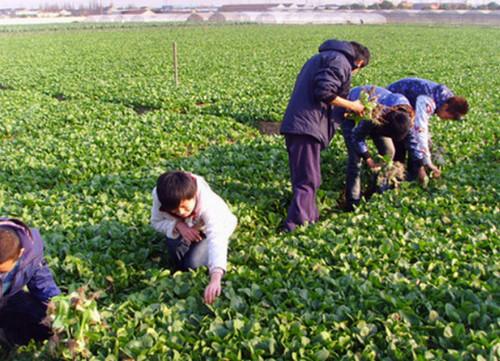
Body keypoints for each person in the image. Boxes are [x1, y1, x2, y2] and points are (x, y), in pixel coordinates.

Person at [280, 39, 370, 231]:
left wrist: (343, 111)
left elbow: (323, 96)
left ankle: (310, 219)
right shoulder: (340, 61)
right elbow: (324, 92)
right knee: (307, 179)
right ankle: (295, 225)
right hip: (306, 126)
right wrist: (353, 105)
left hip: (303, 124)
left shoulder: (325, 57)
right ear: (359, 63)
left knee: (310, 178)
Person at [151, 171, 237, 304]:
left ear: (194, 196)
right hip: (183, 229)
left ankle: (212, 253)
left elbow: (217, 238)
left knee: (192, 264)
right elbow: (156, 222)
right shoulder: (161, 196)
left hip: (212, 229)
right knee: (176, 255)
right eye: (174, 210)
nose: (180, 212)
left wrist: (215, 279)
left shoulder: (210, 206)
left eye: (184, 207)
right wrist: (178, 225)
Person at [333, 85, 414, 210]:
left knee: (389, 151)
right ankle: (352, 203)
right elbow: (357, 137)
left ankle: (380, 192)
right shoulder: (374, 114)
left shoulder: (406, 113)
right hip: (352, 110)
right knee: (356, 161)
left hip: (383, 118)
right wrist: (369, 159)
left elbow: (414, 138)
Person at [387, 77, 469, 183]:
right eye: (449, 116)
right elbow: (420, 129)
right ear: (445, 107)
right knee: (402, 140)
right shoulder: (427, 101)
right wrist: (426, 161)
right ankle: (398, 176)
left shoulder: (446, 97)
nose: (448, 119)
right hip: (392, 103)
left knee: (417, 144)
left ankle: (412, 174)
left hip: (408, 107)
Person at [0, 218, 61, 348]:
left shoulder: (31, 251)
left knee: (45, 321)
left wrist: (58, 306)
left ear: (20, 253)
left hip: (8, 296)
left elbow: (42, 281)